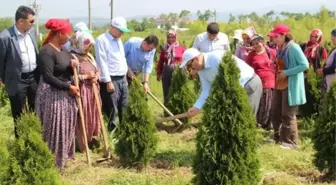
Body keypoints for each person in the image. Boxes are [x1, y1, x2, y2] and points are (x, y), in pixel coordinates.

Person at [35, 19, 79, 171]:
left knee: (64, 127)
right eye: (67, 34)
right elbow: (48, 77)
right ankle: (50, 162)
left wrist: (71, 64)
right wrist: (68, 87)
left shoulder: (62, 50)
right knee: (53, 129)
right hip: (51, 96)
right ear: (60, 34)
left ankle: (61, 159)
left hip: (64, 95)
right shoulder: (46, 51)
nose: (69, 37)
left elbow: (62, 68)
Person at [180, 48, 262, 117]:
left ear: (196, 59)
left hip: (249, 83)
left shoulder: (217, 57)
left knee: (246, 117)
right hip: (235, 89)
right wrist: (197, 107)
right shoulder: (201, 70)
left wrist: (232, 96)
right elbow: (206, 89)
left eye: (189, 65)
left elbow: (234, 77)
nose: (191, 68)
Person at [0, 6, 39, 137]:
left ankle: (35, 139)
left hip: (33, 77)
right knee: (19, 114)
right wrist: (3, 80)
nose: (33, 24)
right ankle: (22, 143)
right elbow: (1, 61)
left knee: (36, 110)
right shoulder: (5, 37)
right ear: (20, 21)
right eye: (31, 21)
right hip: (17, 80)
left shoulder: (32, 33)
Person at [268, 24, 309, 149]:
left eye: (276, 37)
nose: (274, 39)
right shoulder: (280, 48)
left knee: (288, 115)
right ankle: (277, 137)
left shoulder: (294, 48)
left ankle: (290, 142)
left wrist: (286, 72)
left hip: (290, 86)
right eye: (273, 37)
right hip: (279, 85)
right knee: (275, 112)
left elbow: (304, 65)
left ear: (284, 35)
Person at [95, 17, 130, 132]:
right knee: (112, 108)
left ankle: (124, 129)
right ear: (112, 27)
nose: (121, 33)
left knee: (124, 105)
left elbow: (121, 59)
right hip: (111, 79)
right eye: (120, 30)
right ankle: (113, 132)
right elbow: (102, 62)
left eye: (123, 31)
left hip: (122, 78)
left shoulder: (118, 40)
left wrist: (125, 74)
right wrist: (108, 81)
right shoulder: (102, 40)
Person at [69, 29, 101, 152]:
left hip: (93, 91)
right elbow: (72, 78)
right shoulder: (73, 58)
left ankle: (90, 139)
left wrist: (96, 76)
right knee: (83, 116)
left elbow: (97, 69)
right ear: (79, 44)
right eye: (87, 46)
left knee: (93, 114)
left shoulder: (90, 56)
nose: (89, 48)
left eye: (90, 46)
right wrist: (87, 77)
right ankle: (82, 145)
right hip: (82, 92)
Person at [246, 34, 276, 129]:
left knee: (268, 101)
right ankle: (258, 122)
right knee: (258, 101)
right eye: (253, 44)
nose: (255, 45)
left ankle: (267, 123)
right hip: (257, 80)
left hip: (270, 79)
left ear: (262, 42)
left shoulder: (270, 52)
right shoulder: (251, 55)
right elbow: (247, 68)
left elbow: (277, 63)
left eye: (257, 43)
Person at [157, 29, 186, 105]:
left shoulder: (182, 48)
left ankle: (178, 109)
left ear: (176, 37)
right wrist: (159, 73)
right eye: (169, 37)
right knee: (167, 92)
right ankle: (167, 109)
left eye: (172, 37)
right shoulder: (164, 48)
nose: (171, 39)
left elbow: (186, 61)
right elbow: (161, 61)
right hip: (166, 73)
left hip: (178, 72)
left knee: (178, 91)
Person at [317, 28, 336, 94]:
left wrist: (323, 71)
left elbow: (334, 67)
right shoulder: (334, 49)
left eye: (332, 36)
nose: (331, 39)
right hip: (329, 82)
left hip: (333, 83)